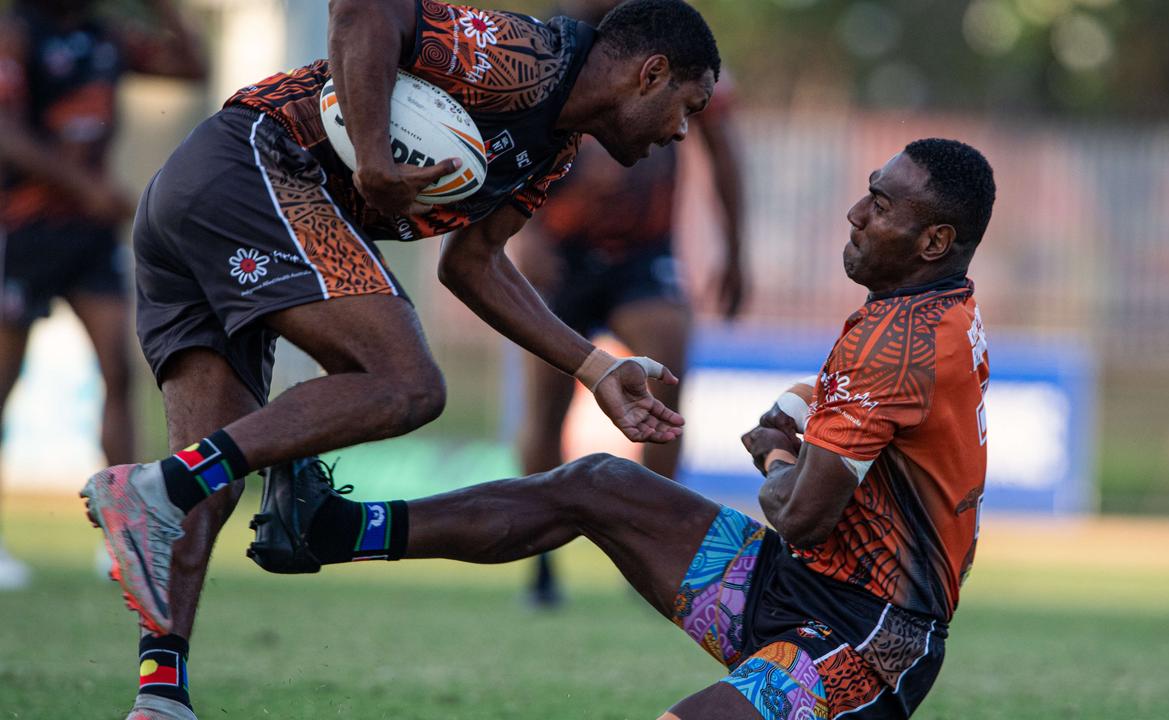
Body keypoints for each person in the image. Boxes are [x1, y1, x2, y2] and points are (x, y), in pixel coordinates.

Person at [79, 1, 720, 717]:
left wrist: (594, 366)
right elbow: (363, 8)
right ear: (650, 73)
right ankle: (161, 484)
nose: (681, 133)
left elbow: (472, 265)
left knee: (213, 477)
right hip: (256, 162)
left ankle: (159, 693)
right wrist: (376, 155)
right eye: (686, 107)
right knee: (406, 383)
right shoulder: (526, 59)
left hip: (202, 194)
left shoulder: (555, 146)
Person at [254, 139, 996, 719]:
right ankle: (331, 531)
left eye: (880, 203)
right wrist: (809, 404)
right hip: (795, 586)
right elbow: (901, 413)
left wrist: (776, 454)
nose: (856, 213)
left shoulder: (901, 343)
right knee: (596, 482)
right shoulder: (934, 312)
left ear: (933, 242)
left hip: (864, 640)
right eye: (867, 192)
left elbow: (801, 516)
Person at [514, 0, 745, 607]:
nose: (678, 128)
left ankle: (654, 550)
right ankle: (540, 564)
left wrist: (737, 250)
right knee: (545, 403)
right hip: (561, 250)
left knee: (668, 364)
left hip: (644, 254)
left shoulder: (674, 39)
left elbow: (721, 149)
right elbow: (505, 137)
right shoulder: (544, 43)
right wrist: (522, 232)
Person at [0, 0, 205, 590]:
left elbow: (190, 67)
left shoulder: (105, 35)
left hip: (88, 237)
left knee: (118, 369)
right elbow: (8, 135)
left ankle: (125, 534)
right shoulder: (17, 34)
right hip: (24, 230)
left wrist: (166, 9)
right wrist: (87, 186)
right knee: (6, 378)